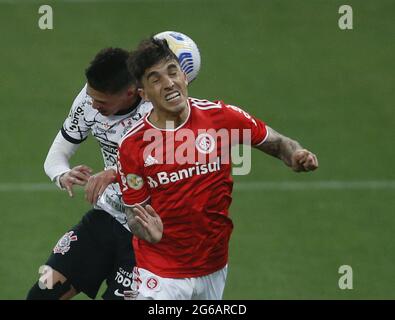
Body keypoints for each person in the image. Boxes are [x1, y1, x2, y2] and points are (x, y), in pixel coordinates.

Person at [117, 37, 319, 300]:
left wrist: (296, 155)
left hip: (213, 265)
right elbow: (135, 211)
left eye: (172, 71)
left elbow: (279, 143)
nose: (168, 83)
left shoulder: (221, 117)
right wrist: (146, 231)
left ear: (184, 76)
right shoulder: (133, 145)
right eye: (155, 79)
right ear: (143, 94)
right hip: (160, 272)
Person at [27, 47, 162, 300]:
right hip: (106, 216)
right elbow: (57, 155)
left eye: (102, 102)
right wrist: (62, 175)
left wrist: (113, 173)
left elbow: (162, 170)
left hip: (146, 233)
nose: (93, 106)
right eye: (91, 97)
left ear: (130, 93)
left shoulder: (157, 113)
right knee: (41, 294)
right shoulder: (89, 101)